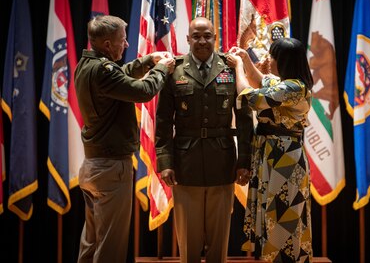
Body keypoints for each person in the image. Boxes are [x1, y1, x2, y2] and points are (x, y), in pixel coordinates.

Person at [74, 14, 175, 263]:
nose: (127, 45)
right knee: (111, 245)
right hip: (111, 168)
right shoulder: (103, 70)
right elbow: (142, 91)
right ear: (107, 44)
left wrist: (149, 61)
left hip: (93, 167)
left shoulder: (87, 64)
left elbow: (121, 75)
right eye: (123, 40)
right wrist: (161, 69)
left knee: (92, 240)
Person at [155, 16, 254, 263]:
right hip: (185, 163)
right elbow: (164, 121)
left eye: (207, 36)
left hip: (222, 162)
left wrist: (245, 161)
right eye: (196, 36)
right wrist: (165, 161)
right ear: (188, 39)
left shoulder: (230, 68)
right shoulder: (174, 70)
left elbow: (243, 120)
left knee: (219, 242)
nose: (202, 41)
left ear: (215, 38)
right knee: (188, 242)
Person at [226, 37, 314, 263]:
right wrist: (245, 59)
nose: (268, 59)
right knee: (270, 216)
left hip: (286, 160)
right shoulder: (286, 84)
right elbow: (261, 80)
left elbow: (249, 96)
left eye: (273, 56)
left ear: (284, 61)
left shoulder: (294, 88)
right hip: (273, 155)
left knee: (284, 218)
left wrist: (237, 67)